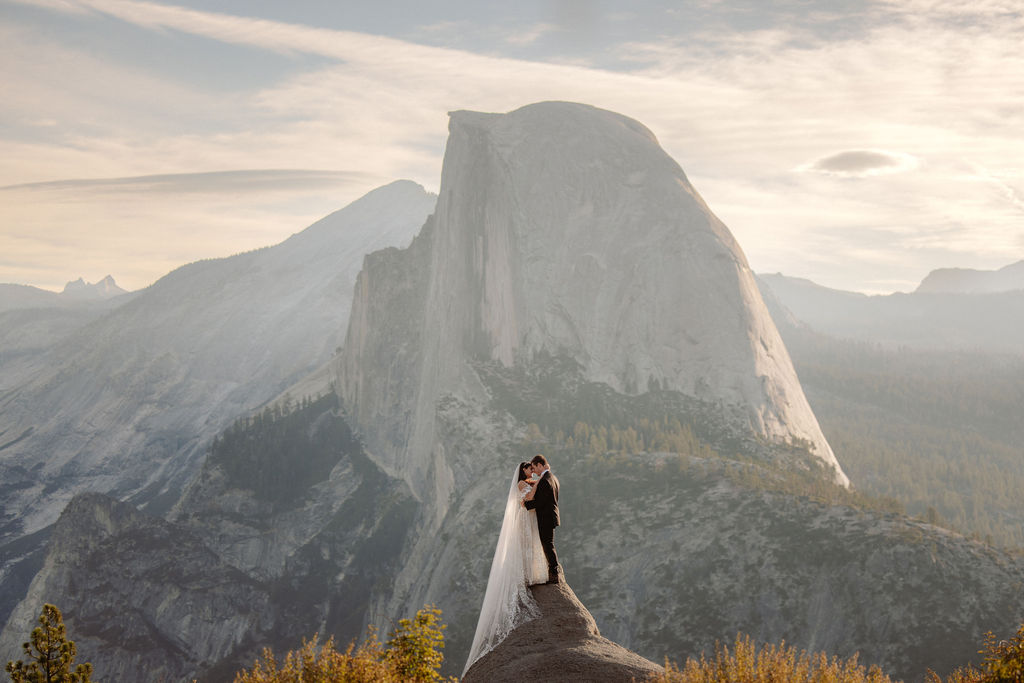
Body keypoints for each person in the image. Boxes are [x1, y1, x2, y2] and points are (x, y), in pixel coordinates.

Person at [463, 462, 549, 674]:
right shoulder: (522, 483)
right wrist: (538, 484)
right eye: (529, 469)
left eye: (532, 469)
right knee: (525, 548)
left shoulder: (529, 481)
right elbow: (528, 499)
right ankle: (527, 574)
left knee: (531, 547)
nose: (531, 472)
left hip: (530, 518)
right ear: (524, 471)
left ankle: (532, 571)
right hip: (524, 519)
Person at [523, 454, 561, 584]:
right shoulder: (552, 478)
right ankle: (553, 571)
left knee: (548, 544)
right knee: (548, 544)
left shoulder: (545, 480)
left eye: (534, 467)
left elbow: (541, 502)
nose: (534, 471)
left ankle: (554, 573)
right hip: (550, 516)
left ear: (540, 465)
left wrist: (526, 504)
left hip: (546, 516)